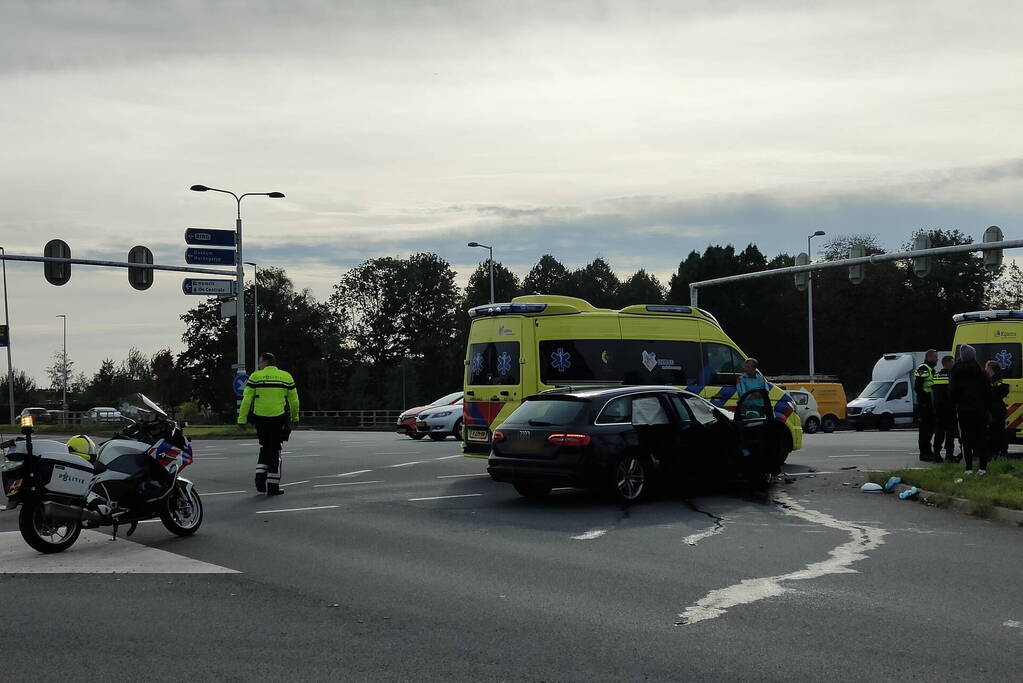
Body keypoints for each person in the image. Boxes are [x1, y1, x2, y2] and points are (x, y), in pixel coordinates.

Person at [238, 352, 300, 495]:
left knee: (265, 447)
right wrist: (295, 418)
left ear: (266, 362)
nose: (259, 365)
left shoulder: (255, 377)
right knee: (275, 450)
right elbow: (294, 400)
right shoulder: (286, 377)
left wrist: (242, 419)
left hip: (260, 419)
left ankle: (260, 478)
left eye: (260, 362)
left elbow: (247, 399)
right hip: (278, 419)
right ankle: (272, 486)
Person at [949, 344, 990, 475]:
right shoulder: (980, 371)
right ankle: (983, 468)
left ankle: (968, 468)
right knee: (982, 438)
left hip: (963, 409)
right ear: (974, 356)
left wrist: (955, 403)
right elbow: (987, 392)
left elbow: (952, 392)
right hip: (979, 409)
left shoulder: (956, 371)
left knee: (966, 439)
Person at [930, 355, 957, 462]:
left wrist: (934, 407)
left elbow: (932, 393)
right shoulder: (952, 376)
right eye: (953, 362)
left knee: (939, 432)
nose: (954, 364)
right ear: (949, 363)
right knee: (950, 433)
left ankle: (936, 453)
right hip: (950, 409)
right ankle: (949, 455)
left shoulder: (936, 376)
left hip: (938, 409)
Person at [914, 349, 938, 461]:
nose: (937, 359)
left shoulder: (931, 369)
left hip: (930, 404)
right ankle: (924, 453)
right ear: (929, 358)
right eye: (935, 357)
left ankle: (928, 451)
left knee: (929, 430)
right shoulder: (923, 368)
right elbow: (918, 387)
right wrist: (924, 401)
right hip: (925, 404)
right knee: (925, 430)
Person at [985, 360, 1009, 461]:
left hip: (994, 410)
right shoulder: (997, 381)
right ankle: (1000, 452)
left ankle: (996, 452)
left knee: (995, 432)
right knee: (999, 432)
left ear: (991, 369)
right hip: (998, 409)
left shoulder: (994, 382)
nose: (985, 370)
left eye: (986, 368)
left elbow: (992, 395)